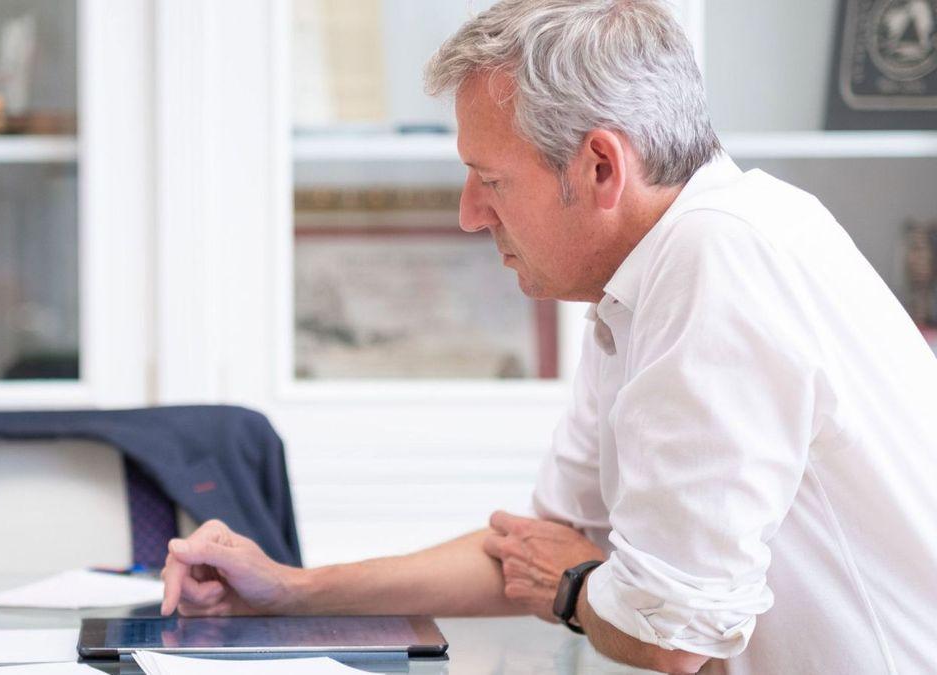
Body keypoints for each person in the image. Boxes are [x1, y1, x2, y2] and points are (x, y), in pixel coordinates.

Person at [160, 1, 937, 673]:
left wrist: (573, 585)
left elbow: (669, 632)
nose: (469, 213)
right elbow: (535, 551)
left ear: (601, 165)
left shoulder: (718, 257)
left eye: (490, 179)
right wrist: (291, 589)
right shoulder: (646, 279)